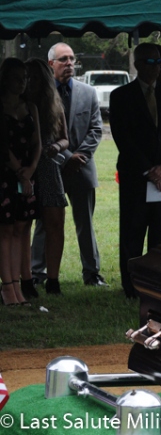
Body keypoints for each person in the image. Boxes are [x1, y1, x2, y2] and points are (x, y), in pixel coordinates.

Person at [110, 42, 161, 299]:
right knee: (132, 232)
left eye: (159, 62)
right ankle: (131, 286)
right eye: (150, 62)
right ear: (137, 64)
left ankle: (158, 283)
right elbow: (123, 138)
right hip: (136, 176)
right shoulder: (121, 96)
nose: (156, 67)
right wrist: (148, 169)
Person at [31, 44, 106, 288]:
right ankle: (37, 272)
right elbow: (43, 134)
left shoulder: (88, 92)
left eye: (72, 59)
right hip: (50, 167)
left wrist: (79, 156)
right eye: (63, 59)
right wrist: (66, 157)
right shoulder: (41, 93)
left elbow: (96, 129)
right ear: (51, 64)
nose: (70, 63)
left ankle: (92, 273)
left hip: (82, 168)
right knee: (44, 222)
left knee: (85, 222)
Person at [25, 59, 68, 296]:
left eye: (36, 77)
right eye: (27, 77)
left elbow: (65, 138)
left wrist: (57, 147)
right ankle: (25, 278)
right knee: (22, 225)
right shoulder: (16, 104)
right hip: (24, 167)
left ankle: (53, 280)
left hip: (48, 167)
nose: (31, 82)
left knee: (55, 224)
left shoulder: (54, 104)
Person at [0, 58, 41, 305]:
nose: (22, 83)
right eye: (17, 78)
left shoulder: (30, 107)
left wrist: (31, 169)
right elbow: (2, 147)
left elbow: (37, 143)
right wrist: (19, 172)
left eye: (25, 78)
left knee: (21, 227)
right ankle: (7, 287)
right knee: (5, 230)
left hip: (27, 174)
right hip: (6, 174)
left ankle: (17, 286)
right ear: (5, 79)